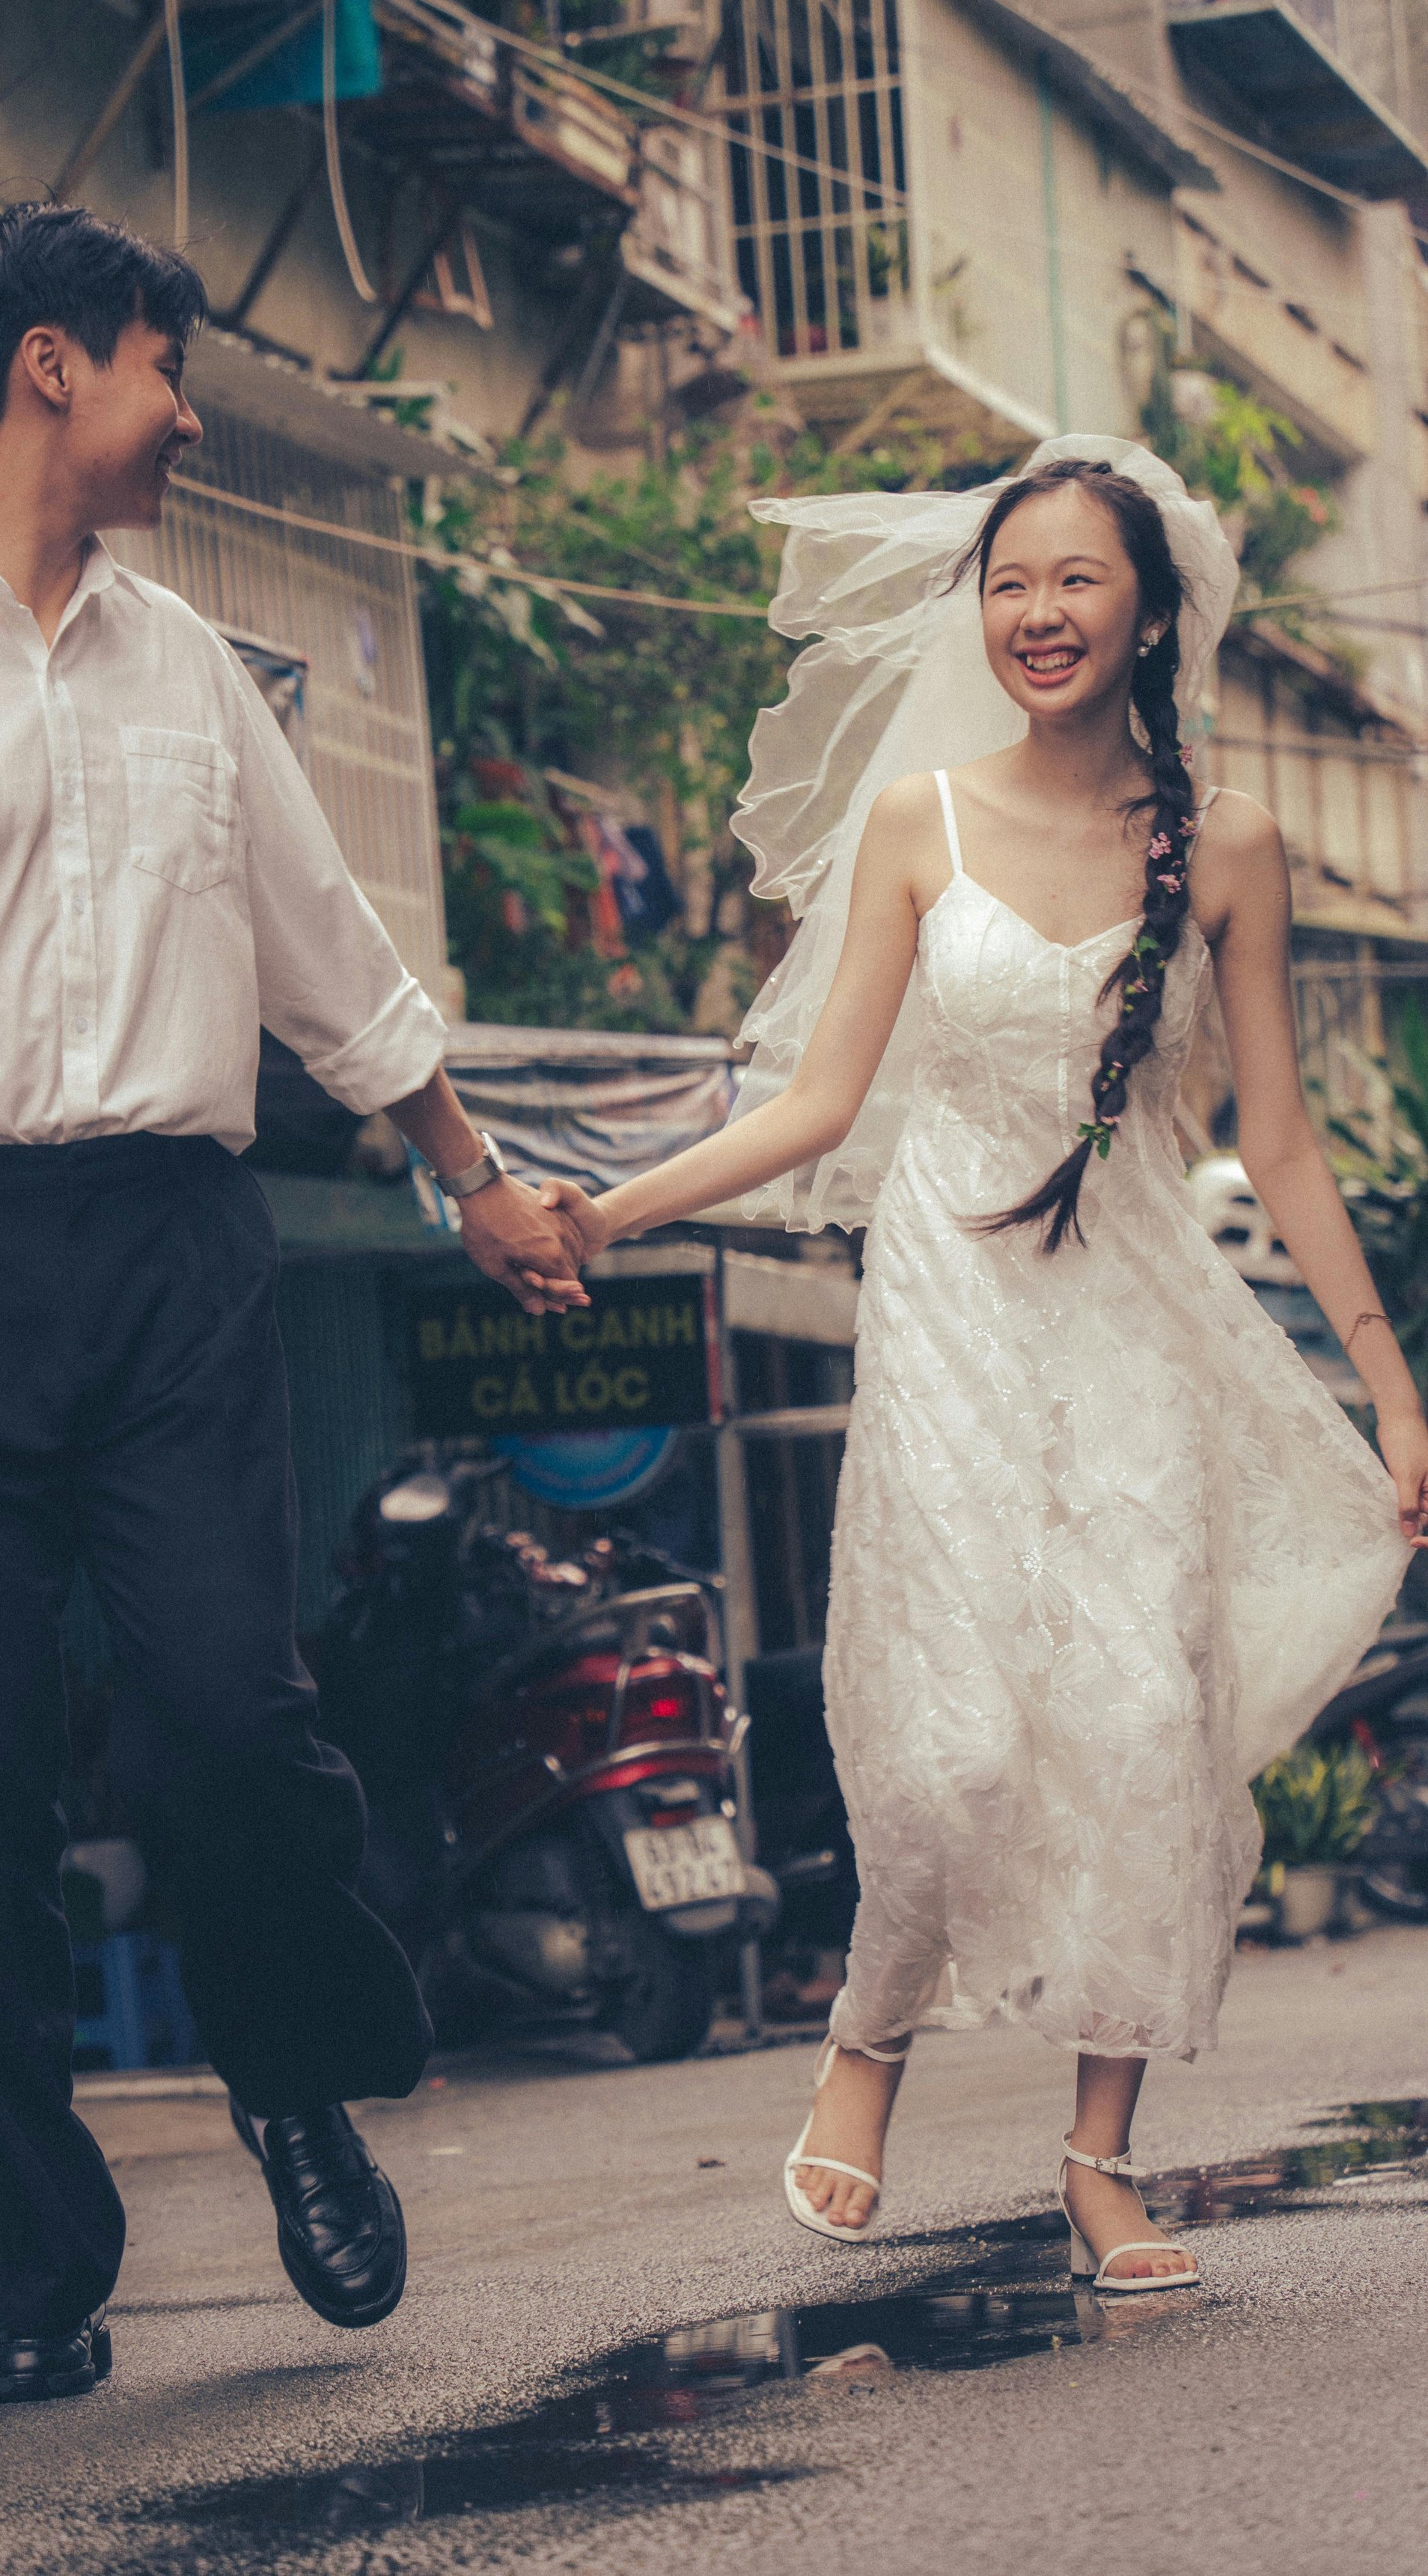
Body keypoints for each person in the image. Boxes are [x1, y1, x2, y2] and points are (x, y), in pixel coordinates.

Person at [0, 201, 585, 2402]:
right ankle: (39, 2228)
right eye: (170, 368)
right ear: (52, 366)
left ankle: (288, 2078)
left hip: (166, 1252)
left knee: (226, 1719)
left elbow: (330, 953)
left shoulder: (188, 666)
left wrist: (476, 1182)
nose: (184, 414)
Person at [541, 438, 1426, 2292]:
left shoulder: (1232, 847)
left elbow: (1273, 1142)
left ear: (1147, 610)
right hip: (945, 1308)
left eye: (1074, 581)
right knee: (945, 1751)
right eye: (1008, 582)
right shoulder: (916, 822)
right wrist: (610, 1215)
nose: (1034, 613)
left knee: (1132, 1728)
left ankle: (1100, 2157)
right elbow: (812, 1104)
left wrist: (1386, 1385)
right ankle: (865, 2037)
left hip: (1130, 1316)